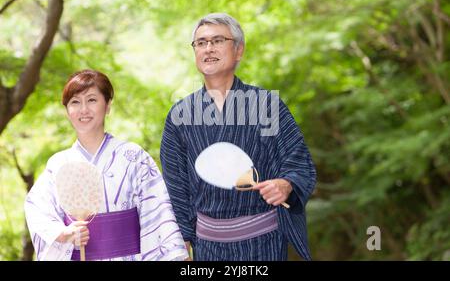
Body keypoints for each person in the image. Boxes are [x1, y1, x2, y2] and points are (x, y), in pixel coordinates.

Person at [160, 13, 317, 261]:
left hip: (263, 245)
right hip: (207, 248)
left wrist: (285, 185)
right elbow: (175, 189)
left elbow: (299, 164)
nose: (208, 48)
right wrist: (181, 245)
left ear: (238, 50)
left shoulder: (267, 105)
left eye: (217, 40)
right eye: (200, 43)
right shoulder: (180, 115)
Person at [24, 69, 189, 261]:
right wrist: (64, 233)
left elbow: (159, 212)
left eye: (92, 100)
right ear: (67, 111)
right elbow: (37, 208)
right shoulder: (58, 164)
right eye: (75, 102)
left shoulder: (134, 157)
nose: (83, 109)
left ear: (108, 105)